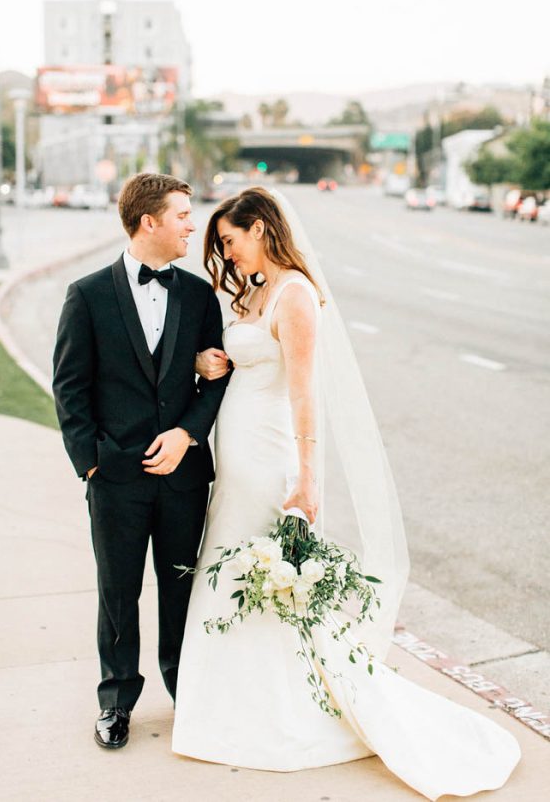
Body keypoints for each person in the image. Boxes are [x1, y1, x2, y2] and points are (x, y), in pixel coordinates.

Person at [172, 186, 520, 800]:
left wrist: (307, 479)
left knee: (252, 570)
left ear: (261, 228)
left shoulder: (296, 294)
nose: (225, 254)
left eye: (230, 240)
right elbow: (237, 357)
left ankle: (274, 707)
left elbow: (306, 392)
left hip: (271, 454)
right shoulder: (253, 289)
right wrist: (208, 361)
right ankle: (233, 701)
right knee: (230, 566)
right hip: (238, 452)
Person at [52, 173, 229, 750]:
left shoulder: (200, 295)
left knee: (180, 588)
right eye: (182, 214)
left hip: (182, 476)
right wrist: (93, 464)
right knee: (118, 591)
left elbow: (216, 380)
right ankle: (116, 700)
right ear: (148, 222)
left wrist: (187, 434)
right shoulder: (88, 295)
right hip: (116, 479)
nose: (190, 224)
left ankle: (187, 691)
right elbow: (70, 389)